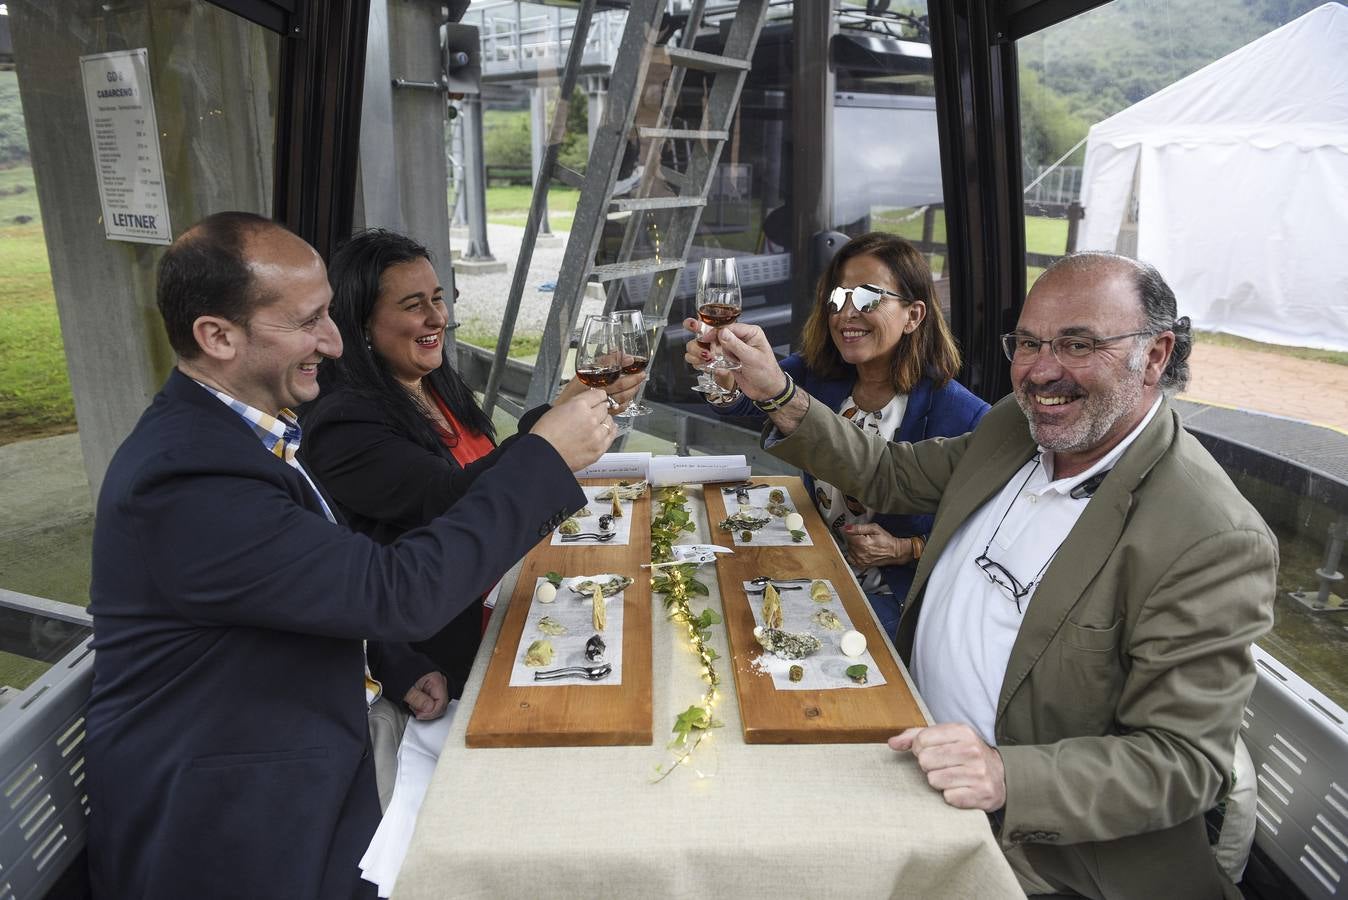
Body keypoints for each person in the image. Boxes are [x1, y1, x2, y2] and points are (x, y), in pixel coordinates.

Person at [711, 251, 1277, 899]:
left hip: (1040, 853)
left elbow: (1185, 762)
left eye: (1077, 344)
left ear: (1155, 355)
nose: (1041, 371)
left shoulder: (1207, 535)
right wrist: (775, 393)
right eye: (1030, 342)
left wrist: (1007, 775)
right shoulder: (1017, 425)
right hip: (900, 737)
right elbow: (889, 474)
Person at [85, 211, 617, 899]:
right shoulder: (186, 478)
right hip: (243, 814)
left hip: (324, 734)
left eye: (330, 315)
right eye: (308, 322)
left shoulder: (248, 434)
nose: (334, 343)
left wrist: (392, 660)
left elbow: (314, 578)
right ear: (216, 336)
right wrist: (546, 455)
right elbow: (396, 592)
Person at [301, 228, 643, 693]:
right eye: (413, 305)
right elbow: (448, 500)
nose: (436, 317)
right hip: (453, 640)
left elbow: (489, 464)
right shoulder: (344, 424)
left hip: (511, 585)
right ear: (362, 323)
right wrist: (550, 444)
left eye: (438, 299)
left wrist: (561, 409)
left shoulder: (434, 383)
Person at [684, 233, 987, 637]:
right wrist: (724, 377)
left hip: (888, 594)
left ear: (913, 315)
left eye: (866, 299)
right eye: (837, 298)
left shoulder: (963, 414)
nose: (845, 313)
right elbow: (749, 400)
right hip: (812, 557)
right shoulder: (819, 374)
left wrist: (905, 549)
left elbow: (982, 535)